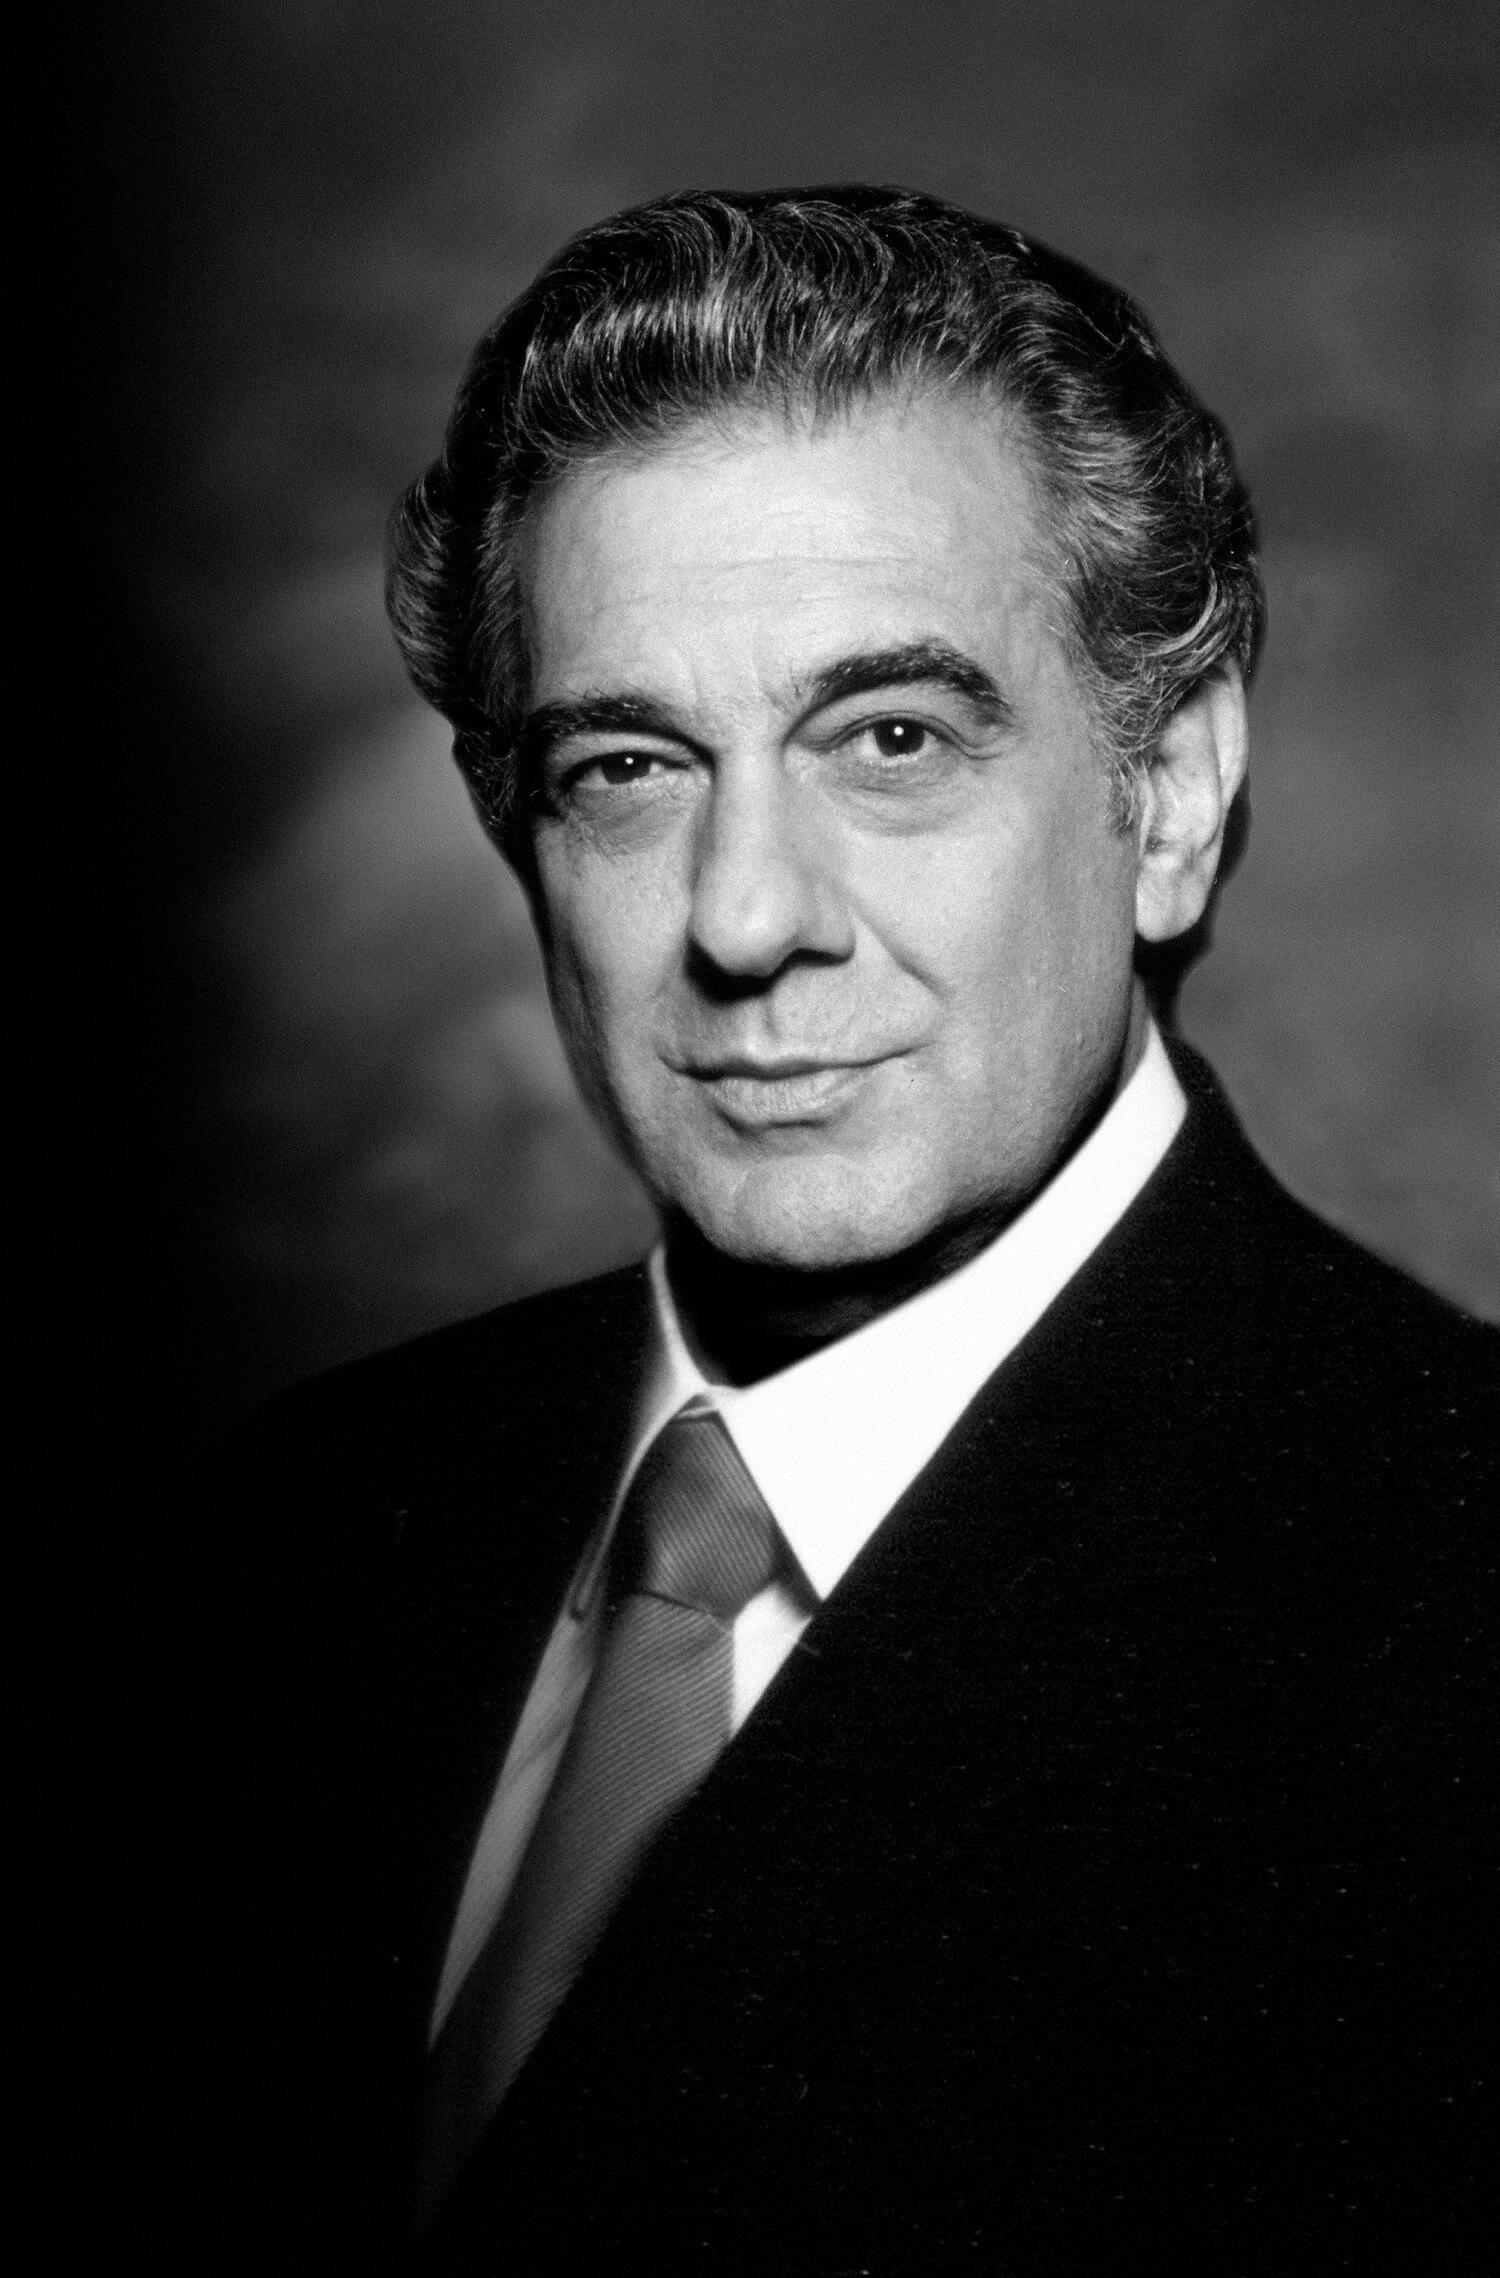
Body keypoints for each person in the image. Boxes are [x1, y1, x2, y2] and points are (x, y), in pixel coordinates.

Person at [214, 188, 1495, 2273]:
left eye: (890, 740)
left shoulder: (1450, 1624)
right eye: (627, 767)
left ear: (1170, 796)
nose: (744, 916)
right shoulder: (284, 1527)